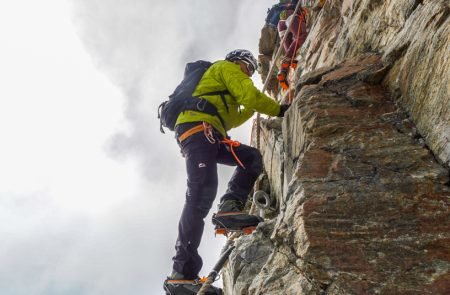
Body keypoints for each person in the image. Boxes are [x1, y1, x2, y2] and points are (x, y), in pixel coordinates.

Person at [163, 49, 290, 294]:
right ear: (237, 62)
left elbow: (231, 119)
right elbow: (247, 94)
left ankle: (230, 206)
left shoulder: (221, 93)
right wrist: (280, 109)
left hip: (209, 133)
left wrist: (254, 107)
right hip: (199, 131)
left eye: (252, 70)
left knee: (251, 158)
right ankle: (181, 274)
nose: (250, 73)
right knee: (200, 195)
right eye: (248, 67)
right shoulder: (225, 68)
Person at [277, 3, 308, 90]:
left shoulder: (285, 6)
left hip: (281, 24)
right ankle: (286, 62)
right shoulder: (297, 7)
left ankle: (283, 71)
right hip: (291, 15)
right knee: (301, 35)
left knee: (291, 53)